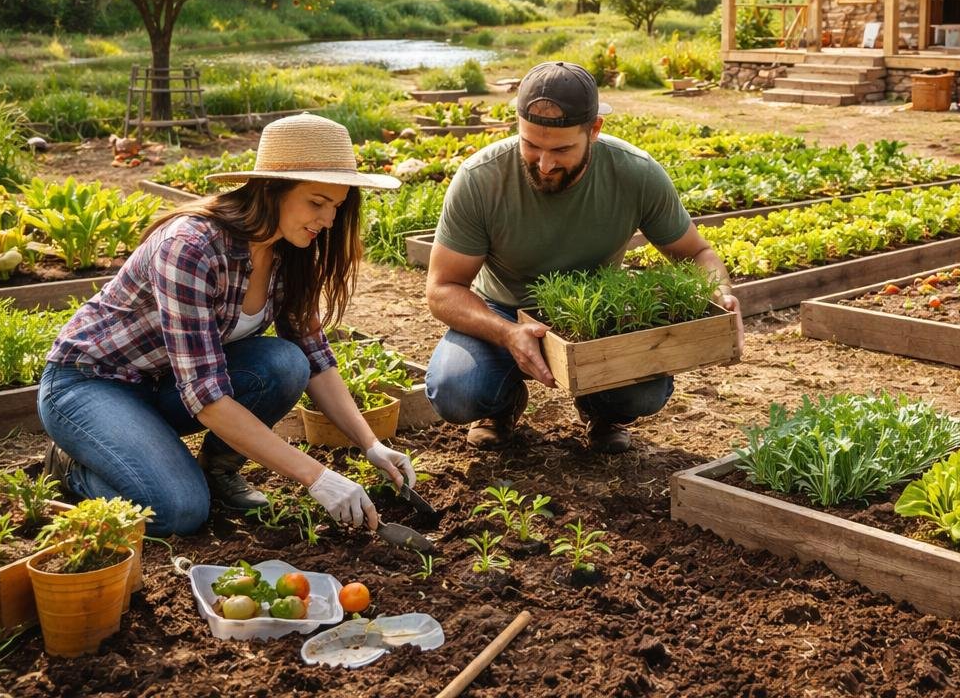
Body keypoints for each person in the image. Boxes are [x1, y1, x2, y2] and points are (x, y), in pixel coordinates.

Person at [38, 113, 416, 536]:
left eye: (336, 206)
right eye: (316, 202)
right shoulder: (190, 247)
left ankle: (217, 471)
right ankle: (72, 464)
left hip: (166, 387)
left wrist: (371, 444)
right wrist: (318, 477)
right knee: (180, 510)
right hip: (92, 384)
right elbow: (206, 396)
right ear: (271, 189)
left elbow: (314, 356)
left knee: (287, 362)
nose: (328, 220)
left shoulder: (291, 249)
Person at [424, 61, 743, 454]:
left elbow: (696, 252)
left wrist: (720, 293)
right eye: (530, 144)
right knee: (456, 391)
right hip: (502, 310)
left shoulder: (635, 173)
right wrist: (507, 333)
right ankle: (500, 407)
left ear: (594, 131)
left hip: (599, 315)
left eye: (561, 149)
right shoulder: (480, 178)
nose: (543, 163)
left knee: (644, 393)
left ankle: (602, 410)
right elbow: (442, 288)